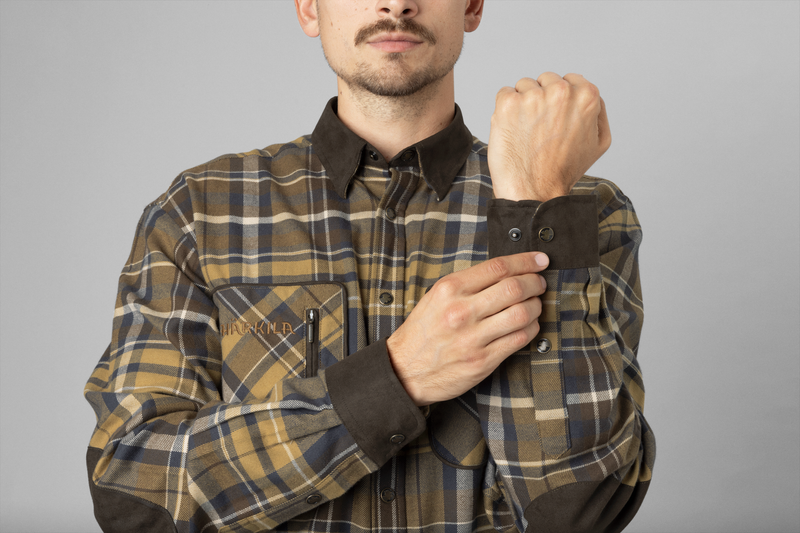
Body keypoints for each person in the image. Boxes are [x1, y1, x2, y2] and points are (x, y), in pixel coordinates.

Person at [84, 1, 655, 532]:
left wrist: (535, 206)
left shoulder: (587, 214)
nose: (396, 2)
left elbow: (579, 510)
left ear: (473, 5)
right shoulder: (199, 211)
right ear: (310, 7)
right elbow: (134, 494)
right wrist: (400, 375)